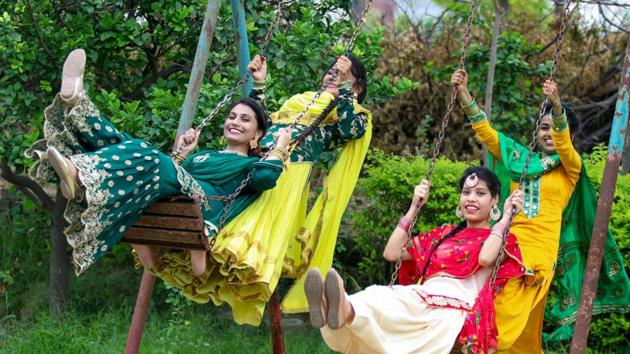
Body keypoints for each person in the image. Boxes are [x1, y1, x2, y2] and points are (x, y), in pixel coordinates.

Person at [25, 48, 292, 275]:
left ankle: (76, 171)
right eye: (232, 116)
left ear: (258, 134)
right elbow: (171, 177)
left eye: (245, 120)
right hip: (182, 189)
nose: (235, 122)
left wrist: (278, 143)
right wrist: (183, 154)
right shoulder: (205, 154)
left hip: (205, 202)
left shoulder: (250, 167)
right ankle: (77, 104)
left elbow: (267, 177)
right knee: (125, 145)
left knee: (147, 153)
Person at [151, 53, 373, 325]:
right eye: (330, 72)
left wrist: (345, 91)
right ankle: (192, 258)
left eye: (341, 73)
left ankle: (223, 274)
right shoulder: (301, 102)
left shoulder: (344, 114)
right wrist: (259, 85)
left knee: (248, 240)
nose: (332, 75)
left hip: (285, 177)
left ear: (357, 87)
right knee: (223, 225)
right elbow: (259, 126)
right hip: (253, 169)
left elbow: (353, 130)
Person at [451, 69, 630, 351]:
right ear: (536, 130)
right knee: (511, 315)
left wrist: (557, 106)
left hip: (537, 253)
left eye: (556, 127)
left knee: (507, 305)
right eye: (543, 127)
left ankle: (477, 342)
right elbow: (486, 132)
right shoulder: (520, 161)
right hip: (504, 242)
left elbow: (563, 143)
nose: (549, 133)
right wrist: (463, 93)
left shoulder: (570, 167)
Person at [305, 166, 526, 354]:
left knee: (400, 303)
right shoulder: (444, 234)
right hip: (424, 295)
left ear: (495, 199)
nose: (471, 199)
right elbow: (392, 253)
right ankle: (335, 311)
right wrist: (415, 207)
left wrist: (507, 217)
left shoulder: (499, 238)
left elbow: (486, 258)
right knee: (379, 293)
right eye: (466, 192)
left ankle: (343, 309)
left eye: (480, 193)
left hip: (454, 306)